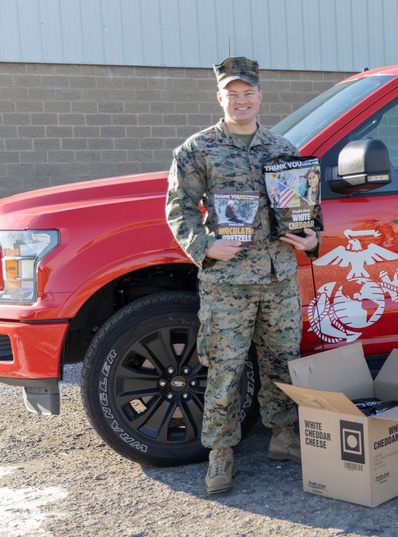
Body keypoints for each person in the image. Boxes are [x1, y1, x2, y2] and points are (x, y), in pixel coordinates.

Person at [165, 56, 320, 494]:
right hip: (227, 280)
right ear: (220, 98)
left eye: (248, 93)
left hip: (277, 275)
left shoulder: (283, 150)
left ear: (259, 97)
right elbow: (179, 209)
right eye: (232, 95)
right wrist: (204, 247)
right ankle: (220, 453)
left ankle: (284, 437)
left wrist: (311, 241)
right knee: (225, 369)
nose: (241, 101)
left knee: (283, 364)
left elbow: (304, 210)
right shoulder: (197, 150)